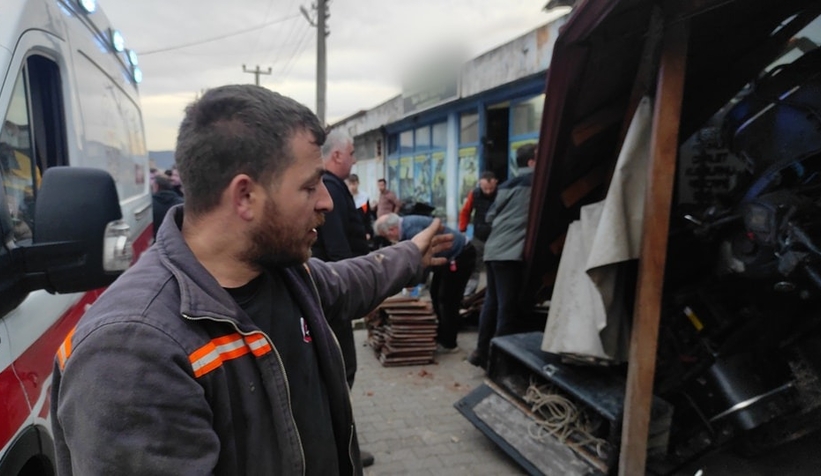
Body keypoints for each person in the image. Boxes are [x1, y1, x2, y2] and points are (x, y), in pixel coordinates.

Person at [50, 84, 453, 476]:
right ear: (244, 196)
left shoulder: (282, 274)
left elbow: (349, 281)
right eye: (309, 186)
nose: (326, 201)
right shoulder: (130, 353)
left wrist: (410, 255)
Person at [310, 129, 374, 467]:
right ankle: (338, 446)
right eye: (351, 152)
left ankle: (339, 443)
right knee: (341, 369)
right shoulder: (332, 189)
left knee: (340, 370)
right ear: (336, 156)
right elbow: (337, 250)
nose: (353, 159)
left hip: (335, 295)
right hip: (335, 298)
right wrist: (349, 294)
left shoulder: (333, 187)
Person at [468, 143, 537, 370]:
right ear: (531, 162)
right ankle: (498, 361)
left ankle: (480, 351)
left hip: (493, 249)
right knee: (507, 308)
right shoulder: (536, 183)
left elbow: (489, 217)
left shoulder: (507, 185)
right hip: (509, 254)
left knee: (492, 304)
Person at [374, 213, 476, 353]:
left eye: (386, 236)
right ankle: (442, 334)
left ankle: (449, 343)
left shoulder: (411, 230)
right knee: (436, 294)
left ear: (391, 230)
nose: (389, 239)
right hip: (447, 258)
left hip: (460, 255)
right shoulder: (405, 227)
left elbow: (423, 258)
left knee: (447, 299)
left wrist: (414, 281)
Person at [458, 170, 498, 295]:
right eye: (485, 188)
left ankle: (494, 290)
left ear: (496, 183)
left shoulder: (502, 194)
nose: (488, 191)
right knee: (474, 263)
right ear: (480, 184)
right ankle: (470, 291)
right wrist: (463, 229)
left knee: (495, 264)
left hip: (496, 236)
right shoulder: (474, 194)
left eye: (491, 188)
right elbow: (465, 211)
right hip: (479, 235)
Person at [151, 173, 184, 238]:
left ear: (156, 186)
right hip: (177, 241)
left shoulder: (151, 204)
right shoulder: (181, 203)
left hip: (157, 241)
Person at [346, 173, 374, 241]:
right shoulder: (346, 197)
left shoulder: (364, 197)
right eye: (350, 184)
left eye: (354, 184)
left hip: (362, 228)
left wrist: (367, 231)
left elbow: (367, 217)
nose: (352, 187)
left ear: (358, 183)